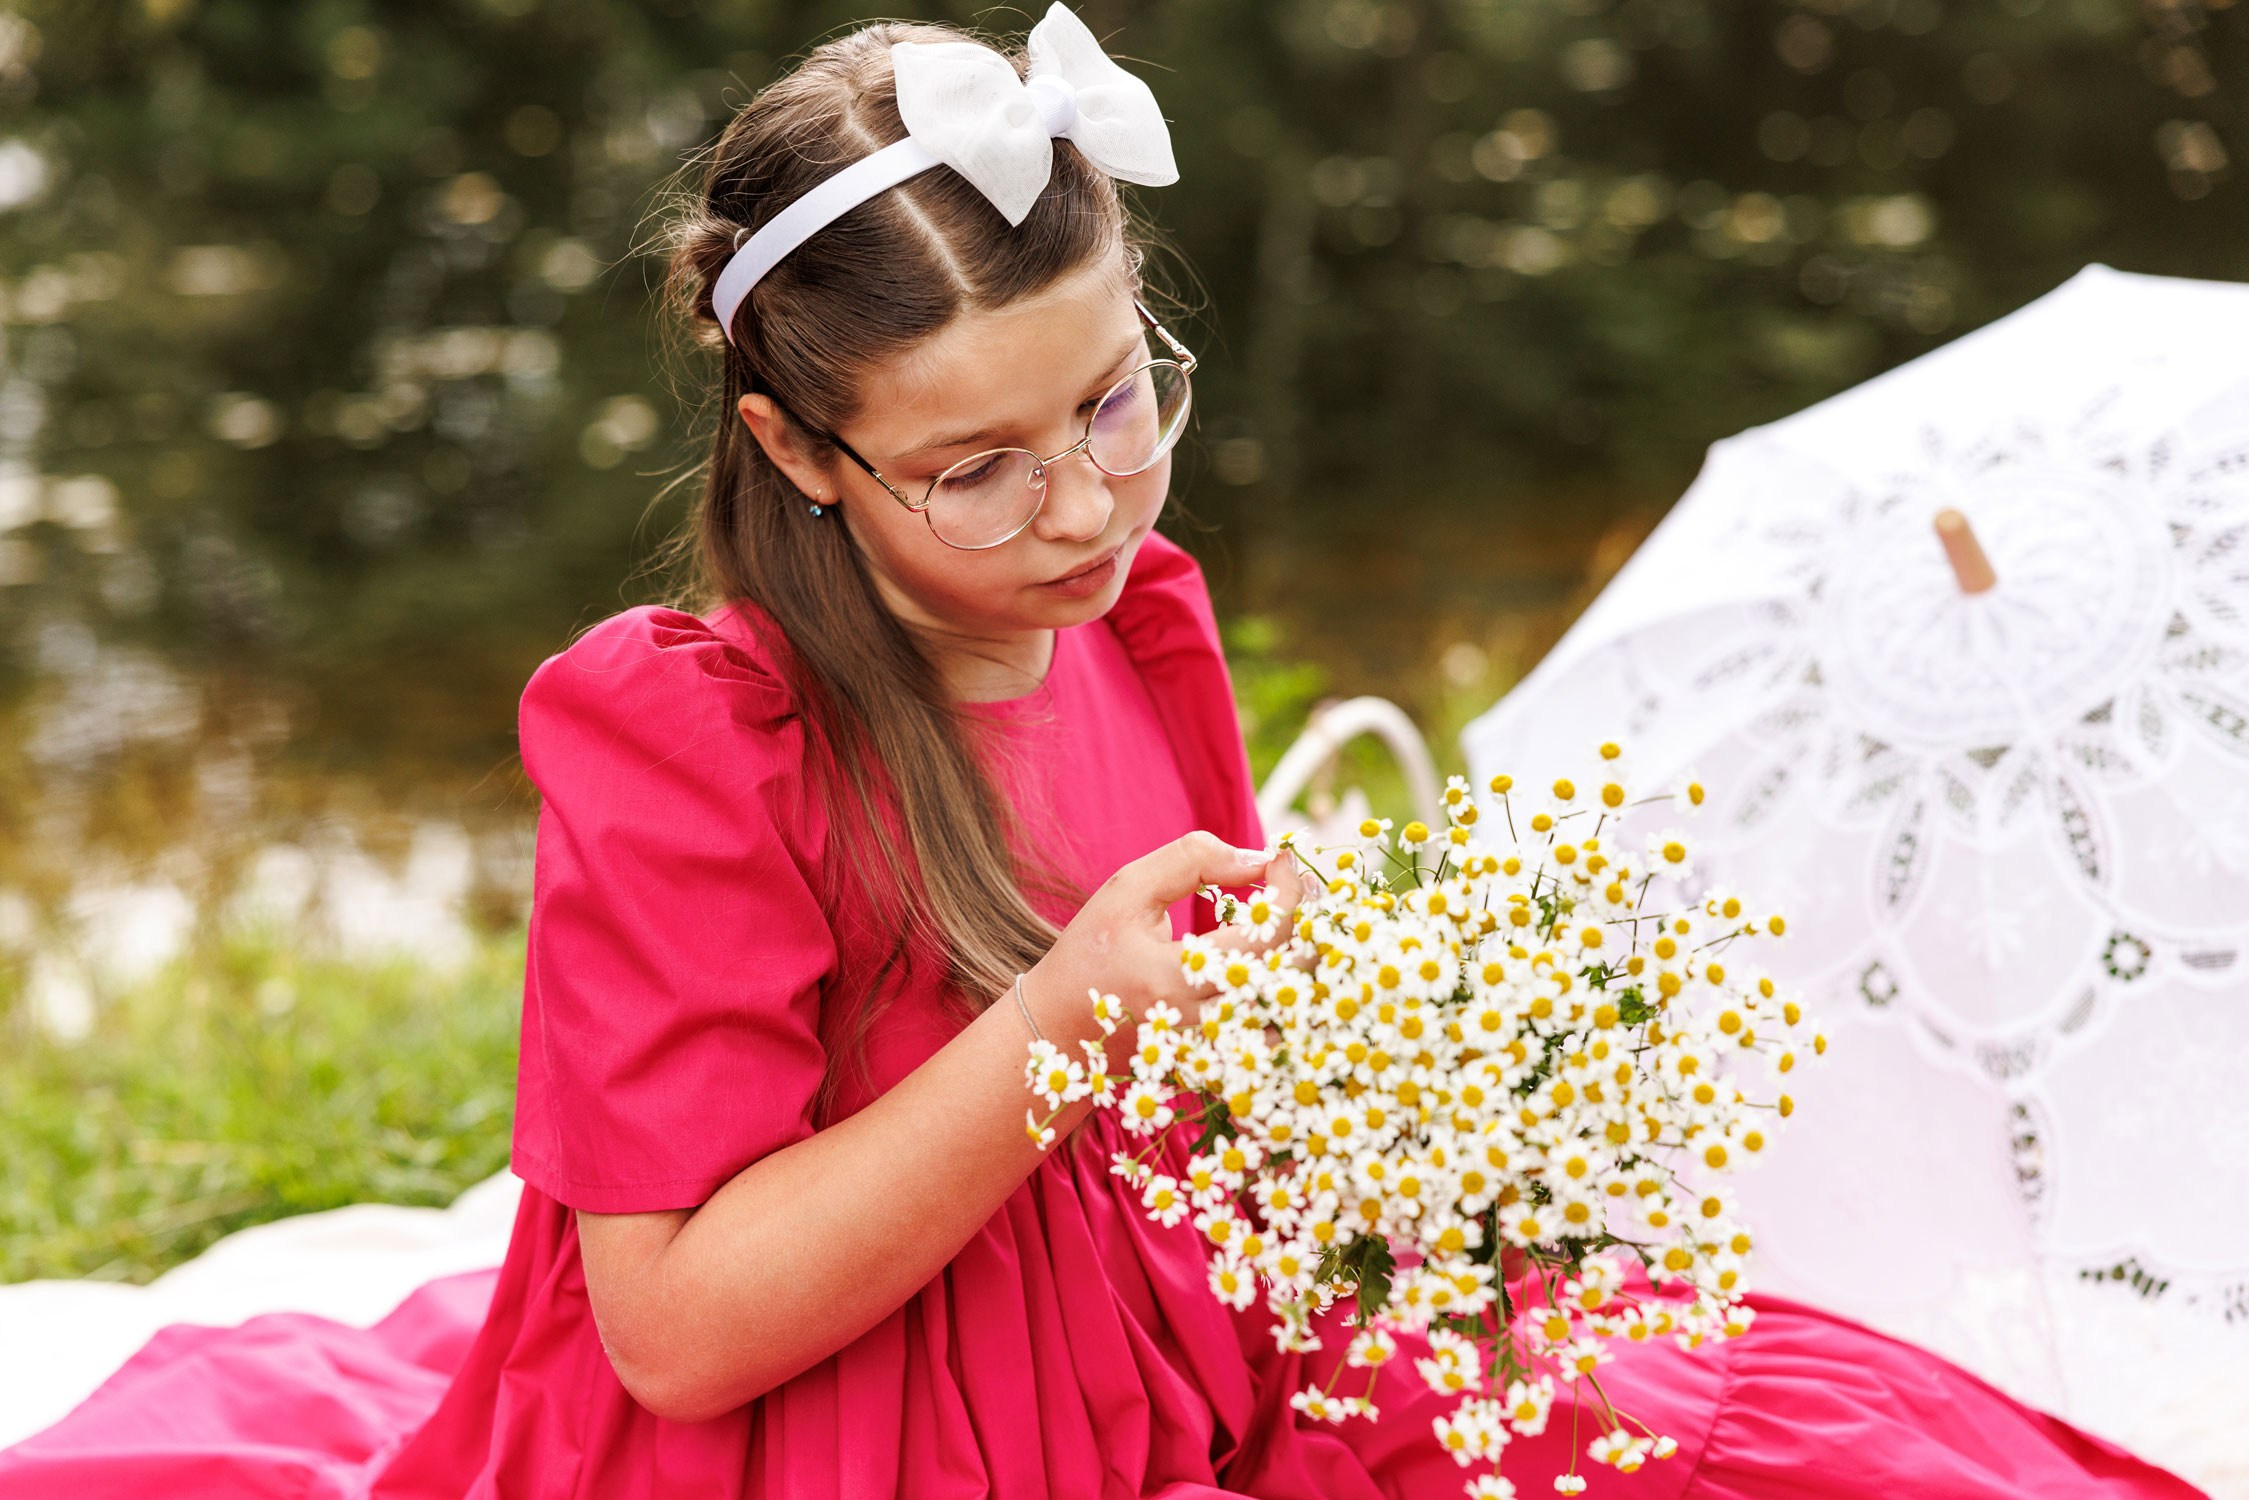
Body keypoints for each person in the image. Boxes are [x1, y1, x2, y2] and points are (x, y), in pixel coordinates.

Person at [0, 8, 2213, 1498]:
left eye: (1112, 403)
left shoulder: (1132, 618)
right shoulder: (696, 734)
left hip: (1171, 1329)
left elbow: (1185, 1010)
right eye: (972, 469)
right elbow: (669, 1331)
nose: (1078, 506)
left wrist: (1345, 1024)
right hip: (850, 1429)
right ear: (800, 450)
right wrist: (1067, 1017)